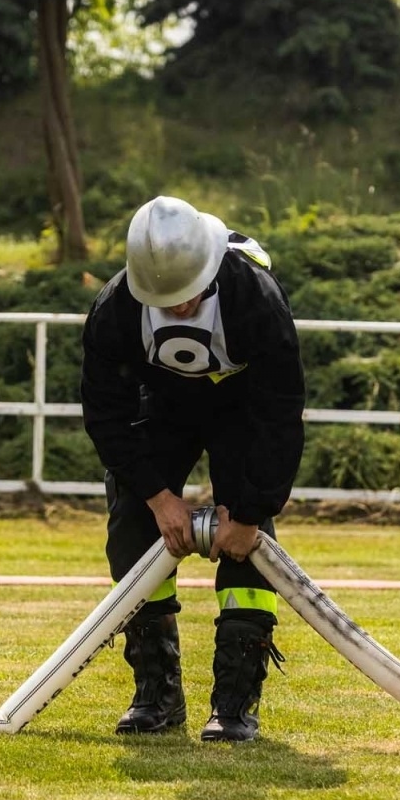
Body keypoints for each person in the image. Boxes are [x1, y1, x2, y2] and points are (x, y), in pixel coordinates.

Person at [81, 195, 306, 742]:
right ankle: (156, 698)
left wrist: (249, 514)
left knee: (249, 549)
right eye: (165, 298)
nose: (177, 307)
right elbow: (104, 413)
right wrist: (159, 497)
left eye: (186, 295)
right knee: (132, 524)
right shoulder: (115, 308)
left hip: (243, 412)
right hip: (162, 410)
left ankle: (234, 705)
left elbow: (280, 414)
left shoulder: (255, 298)